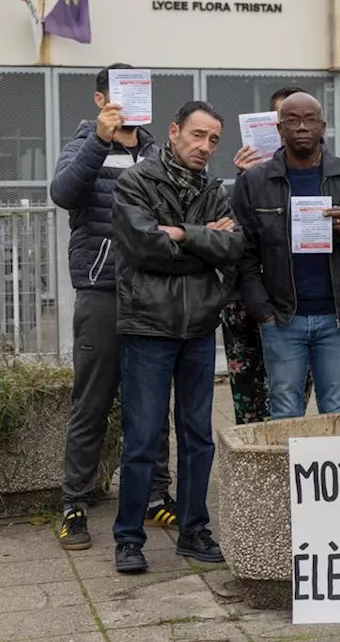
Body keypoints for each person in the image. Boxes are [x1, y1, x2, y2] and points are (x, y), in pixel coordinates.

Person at [111, 101, 243, 574]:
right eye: (198, 135)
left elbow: (232, 246)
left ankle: (194, 529)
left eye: (213, 140)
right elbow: (143, 246)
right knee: (143, 439)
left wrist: (184, 234)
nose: (205, 147)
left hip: (199, 326)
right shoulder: (136, 182)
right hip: (148, 325)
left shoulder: (214, 189)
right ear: (173, 131)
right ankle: (128, 537)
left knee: (198, 436)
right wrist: (202, 239)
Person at [50, 63, 174, 551]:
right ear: (101, 100)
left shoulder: (155, 152)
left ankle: (154, 495)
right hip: (100, 290)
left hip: (151, 291)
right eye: (121, 93)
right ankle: (74, 504)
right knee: (93, 399)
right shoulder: (81, 146)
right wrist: (99, 143)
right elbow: (63, 194)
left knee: (151, 398)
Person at [221, 87, 340, 424]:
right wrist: (262, 310)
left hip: (335, 317)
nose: (302, 127)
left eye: (309, 120)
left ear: (323, 126)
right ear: (279, 129)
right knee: (285, 411)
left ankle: (330, 477)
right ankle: (288, 478)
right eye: (292, 120)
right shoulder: (255, 181)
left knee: (336, 410)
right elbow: (242, 252)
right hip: (282, 318)